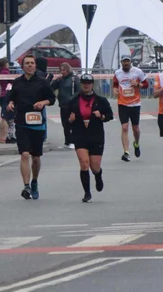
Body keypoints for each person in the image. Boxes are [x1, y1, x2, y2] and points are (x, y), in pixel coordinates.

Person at [6, 54, 55, 200]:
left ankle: (34, 181)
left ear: (35, 65)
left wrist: (43, 103)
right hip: (21, 122)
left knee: (35, 157)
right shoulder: (17, 82)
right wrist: (10, 103)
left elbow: (52, 99)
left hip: (37, 124)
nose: (29, 65)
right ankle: (26, 186)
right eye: (27, 63)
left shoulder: (42, 82)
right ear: (22, 66)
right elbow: (11, 97)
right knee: (24, 154)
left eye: (32, 63)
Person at [67, 73, 113, 203]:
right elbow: (67, 120)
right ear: (80, 84)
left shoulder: (100, 100)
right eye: (83, 83)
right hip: (80, 135)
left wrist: (101, 116)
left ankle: (98, 176)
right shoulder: (74, 100)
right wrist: (70, 120)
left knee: (95, 166)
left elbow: (109, 116)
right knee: (84, 163)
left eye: (88, 83)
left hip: (96, 135)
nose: (86, 85)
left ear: (92, 85)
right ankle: (87, 193)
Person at [112, 56, 146, 162]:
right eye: (124, 61)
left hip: (135, 104)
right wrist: (115, 90)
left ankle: (136, 143)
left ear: (131, 62)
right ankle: (126, 152)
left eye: (128, 61)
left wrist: (138, 84)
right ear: (121, 62)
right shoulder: (117, 73)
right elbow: (115, 84)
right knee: (125, 127)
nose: (126, 63)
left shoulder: (137, 72)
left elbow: (146, 84)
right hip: (122, 104)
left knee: (135, 128)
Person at [53, 63, 77, 149]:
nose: (63, 72)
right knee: (65, 124)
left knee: (72, 123)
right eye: (61, 70)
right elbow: (51, 87)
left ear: (68, 70)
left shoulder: (74, 78)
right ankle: (67, 142)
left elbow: (78, 91)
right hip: (63, 104)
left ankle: (73, 141)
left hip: (72, 105)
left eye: (64, 70)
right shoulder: (60, 80)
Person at [0, 58, 16, 144]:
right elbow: (12, 83)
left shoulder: (0, 72)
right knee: (6, 117)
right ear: (6, 64)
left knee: (8, 117)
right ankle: (6, 137)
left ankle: (9, 135)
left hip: (2, 94)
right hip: (7, 95)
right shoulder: (6, 73)